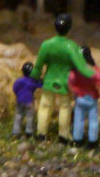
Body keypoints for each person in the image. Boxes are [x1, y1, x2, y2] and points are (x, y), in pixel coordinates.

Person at [32, 12, 93, 142]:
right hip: (65, 82)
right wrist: (91, 77)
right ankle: (63, 134)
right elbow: (81, 66)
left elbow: (38, 66)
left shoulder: (46, 44)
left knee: (45, 106)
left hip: (49, 80)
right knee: (65, 107)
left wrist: (34, 76)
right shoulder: (72, 47)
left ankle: (41, 132)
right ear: (69, 28)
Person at [69, 47, 100, 149]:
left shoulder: (76, 71)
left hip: (80, 98)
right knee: (93, 120)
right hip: (92, 99)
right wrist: (99, 93)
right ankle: (92, 141)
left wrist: (76, 91)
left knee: (78, 119)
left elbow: (71, 83)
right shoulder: (96, 71)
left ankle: (77, 139)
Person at [11, 62, 39, 138]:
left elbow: (14, 88)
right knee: (30, 116)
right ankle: (29, 131)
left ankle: (16, 131)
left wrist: (18, 94)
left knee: (18, 115)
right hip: (29, 101)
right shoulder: (32, 81)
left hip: (19, 101)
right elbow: (40, 84)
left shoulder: (19, 81)